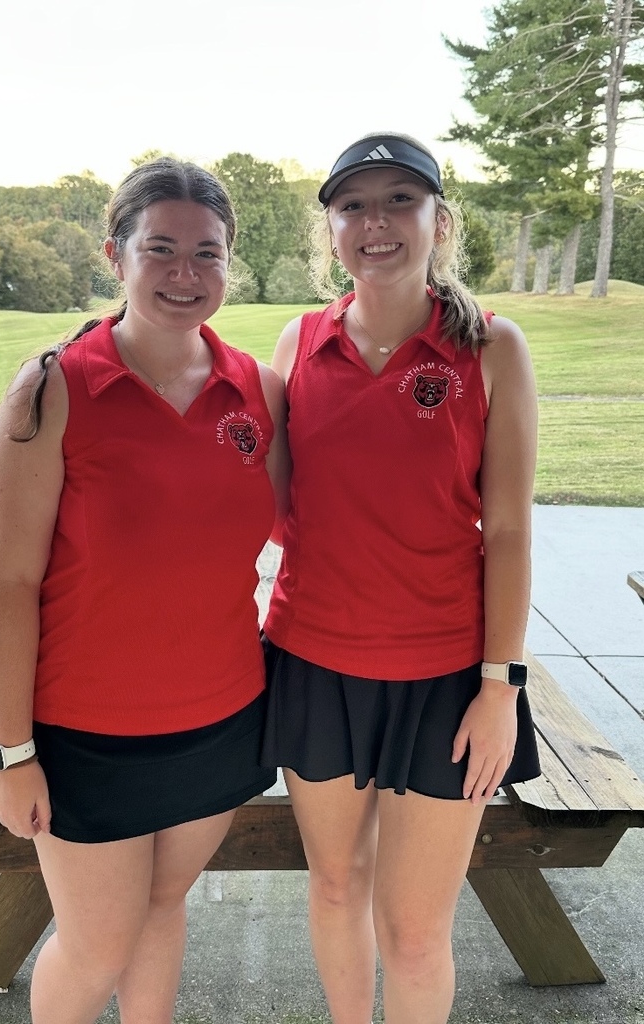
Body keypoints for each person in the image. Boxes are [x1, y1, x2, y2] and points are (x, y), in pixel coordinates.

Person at [0, 157, 288, 1024]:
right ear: (116, 255)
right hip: (85, 736)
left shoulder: (256, 391)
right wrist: (10, 753)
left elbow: (314, 525)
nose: (185, 274)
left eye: (207, 253)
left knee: (162, 904)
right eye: (161, 249)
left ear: (230, 264)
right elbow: (8, 584)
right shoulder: (52, 390)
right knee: (94, 945)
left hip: (223, 719)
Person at [261, 132, 541, 1024]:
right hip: (316, 663)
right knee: (337, 888)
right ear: (331, 232)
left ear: (438, 222)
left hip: (447, 680)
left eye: (398, 201)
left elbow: (506, 528)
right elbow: (247, 496)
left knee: (415, 931)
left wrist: (500, 686)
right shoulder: (297, 343)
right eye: (352, 206)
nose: (374, 222)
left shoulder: (491, 347)